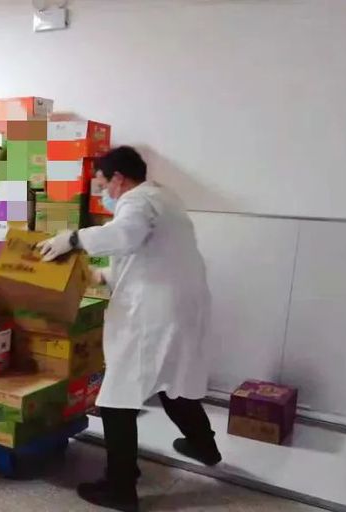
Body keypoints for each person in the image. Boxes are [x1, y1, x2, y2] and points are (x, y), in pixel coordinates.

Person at [37, 146, 221, 512]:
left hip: (155, 313)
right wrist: (102, 276)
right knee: (174, 382)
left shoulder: (136, 202)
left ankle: (120, 488)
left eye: (103, 184)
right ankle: (205, 446)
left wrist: (72, 239)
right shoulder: (164, 198)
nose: (103, 192)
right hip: (183, 305)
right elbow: (146, 254)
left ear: (118, 178)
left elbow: (125, 235)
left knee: (116, 399)